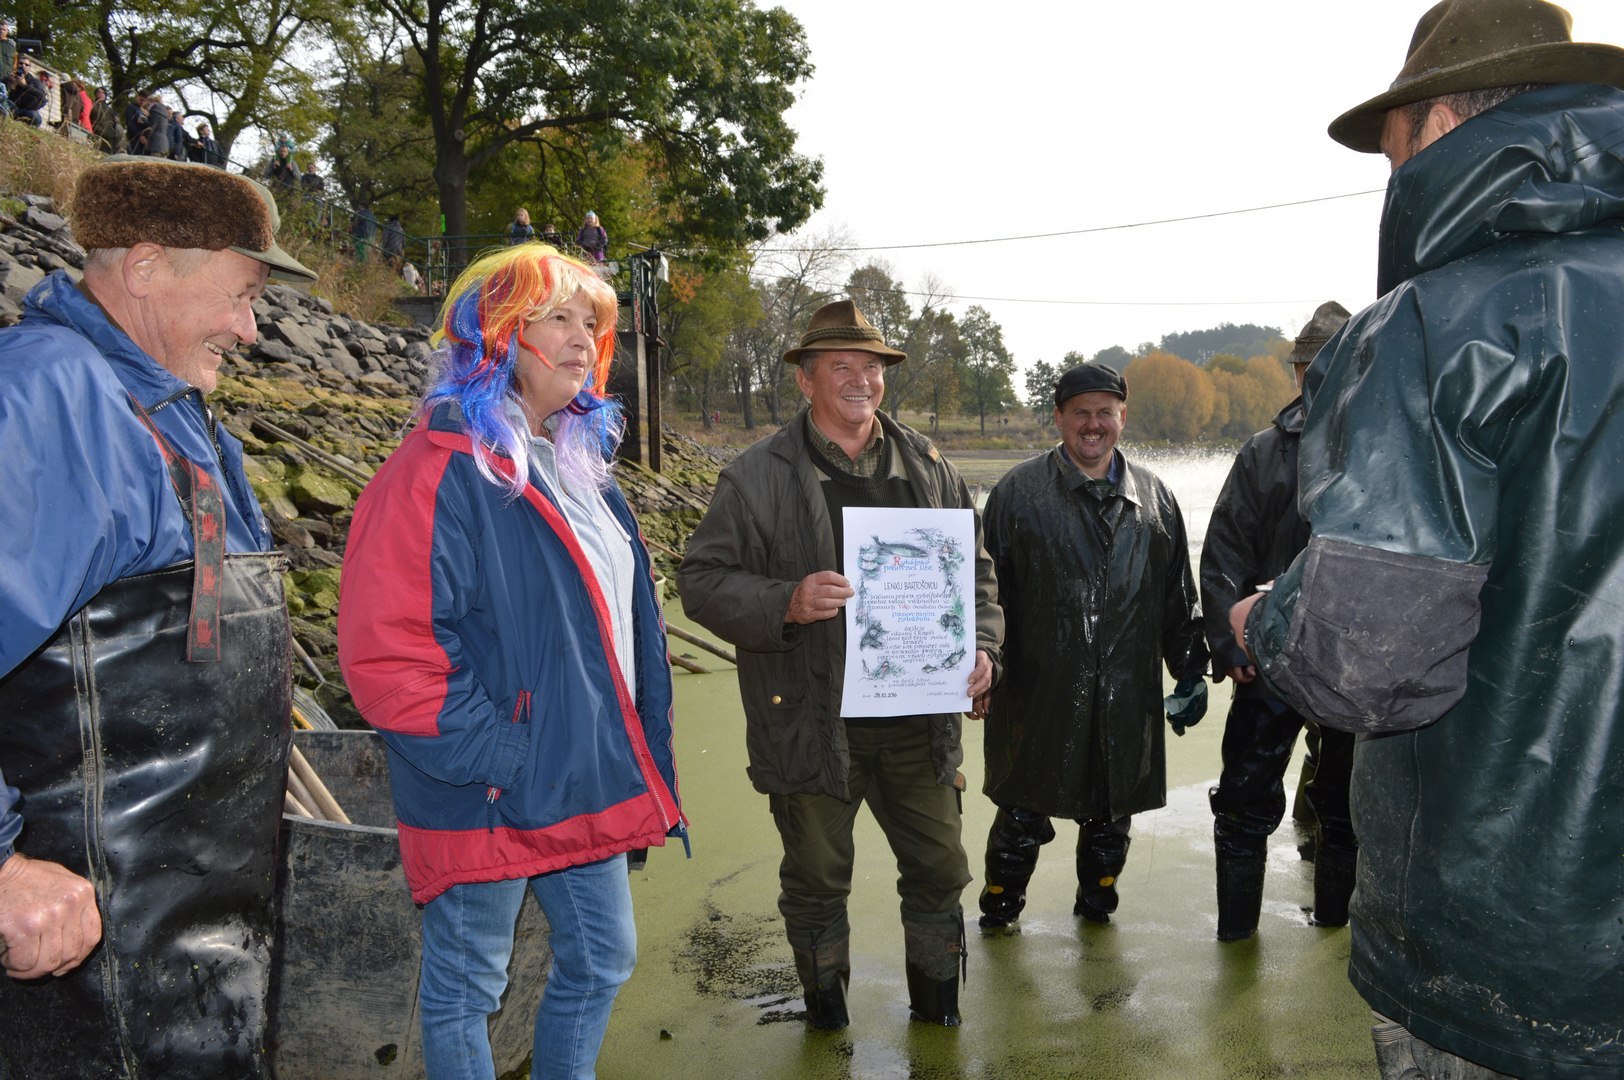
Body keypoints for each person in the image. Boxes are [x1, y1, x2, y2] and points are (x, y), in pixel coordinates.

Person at [1231, 2, 1624, 1077]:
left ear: (1442, 117)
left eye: (1392, 146)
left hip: (1507, 956)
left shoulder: (1433, 321)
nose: (1390, 174)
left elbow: (1366, 661)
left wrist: (1259, 620)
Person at [0, 156, 317, 1077]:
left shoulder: (176, 412)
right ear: (144, 266)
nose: (250, 328)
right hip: (88, 973)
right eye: (241, 294)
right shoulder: (49, 399)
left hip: (197, 955)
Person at [338, 244, 685, 1080]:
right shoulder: (436, 470)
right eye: (554, 318)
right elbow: (392, 648)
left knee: (603, 957)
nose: (581, 337)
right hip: (486, 782)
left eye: (589, 321)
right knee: (467, 987)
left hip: (582, 769)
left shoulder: (584, 471)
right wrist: (500, 754)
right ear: (496, 335)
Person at [679, 299, 1002, 1030]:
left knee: (940, 872)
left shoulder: (929, 465)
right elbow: (700, 581)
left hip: (919, 724)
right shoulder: (757, 476)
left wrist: (985, 651)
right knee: (818, 881)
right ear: (806, 379)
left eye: (872, 367)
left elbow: (977, 577)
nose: (861, 380)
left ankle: (937, 1018)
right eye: (842, 366)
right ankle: (827, 1023)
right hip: (811, 723)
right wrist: (784, 602)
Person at [977, 362, 1208, 930]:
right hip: (1037, 695)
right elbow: (982, 594)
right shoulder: (1017, 494)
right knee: (1021, 813)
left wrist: (1189, 668)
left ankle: (1096, 909)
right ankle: (999, 911)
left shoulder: (1156, 499)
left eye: (1105, 412)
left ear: (1122, 417)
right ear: (1059, 418)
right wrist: (984, 663)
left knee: (1111, 819)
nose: (1093, 424)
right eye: (1080, 412)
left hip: (1126, 697)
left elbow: (1179, 594)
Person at [1200, 302, 1357, 942]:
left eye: (1340, 362)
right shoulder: (1263, 453)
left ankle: (1334, 923)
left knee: (1346, 808)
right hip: (1267, 659)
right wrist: (1225, 641)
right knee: (1242, 804)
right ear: (1297, 373)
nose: (1323, 376)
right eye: (1312, 365)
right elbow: (1222, 553)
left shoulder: (1387, 446)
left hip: (1353, 664)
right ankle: (1237, 935)